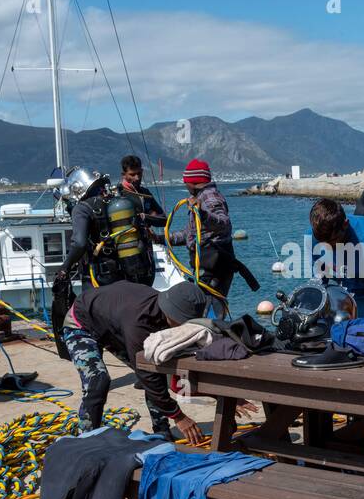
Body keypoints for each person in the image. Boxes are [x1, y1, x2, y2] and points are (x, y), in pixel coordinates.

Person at [59, 279, 210, 443]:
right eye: (183, 321)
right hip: (81, 322)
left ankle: (162, 433)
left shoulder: (162, 310)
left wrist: (221, 393)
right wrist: (178, 416)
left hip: (112, 320)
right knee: (98, 381)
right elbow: (146, 375)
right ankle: (86, 441)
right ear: (172, 313)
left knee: (155, 371)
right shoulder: (139, 323)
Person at [169, 159, 237, 300]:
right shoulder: (200, 197)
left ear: (192, 181)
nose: (185, 185)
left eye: (185, 181)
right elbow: (191, 234)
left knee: (206, 311)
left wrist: (203, 214)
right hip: (209, 266)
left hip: (214, 268)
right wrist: (161, 239)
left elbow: (223, 223)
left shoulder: (208, 196)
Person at [57, 166, 121, 288]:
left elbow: (79, 244)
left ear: (77, 188)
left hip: (98, 276)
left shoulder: (82, 208)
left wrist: (65, 267)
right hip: (123, 272)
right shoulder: (116, 201)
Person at [115, 154, 165, 286]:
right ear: (123, 174)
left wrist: (145, 216)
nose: (137, 178)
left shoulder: (145, 193)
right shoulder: (117, 195)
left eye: (139, 173)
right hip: (124, 254)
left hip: (145, 252)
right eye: (132, 174)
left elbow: (164, 220)